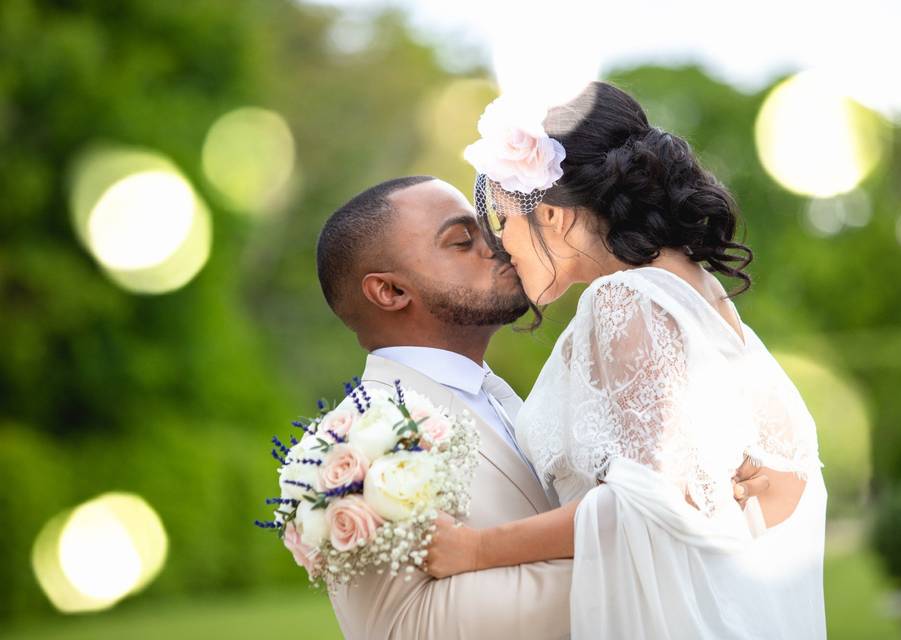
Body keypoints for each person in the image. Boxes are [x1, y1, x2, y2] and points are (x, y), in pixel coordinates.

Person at [424, 81, 828, 639]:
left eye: (502, 222)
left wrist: (473, 549)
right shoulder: (698, 291)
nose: (501, 250)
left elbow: (644, 505)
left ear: (553, 215)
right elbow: (784, 481)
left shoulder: (626, 298)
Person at [314, 175, 769, 639]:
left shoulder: (512, 402)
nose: (497, 245)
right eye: (460, 241)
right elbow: (410, 627)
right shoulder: (356, 442)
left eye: (488, 229)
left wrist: (692, 494)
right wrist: (668, 548)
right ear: (390, 292)